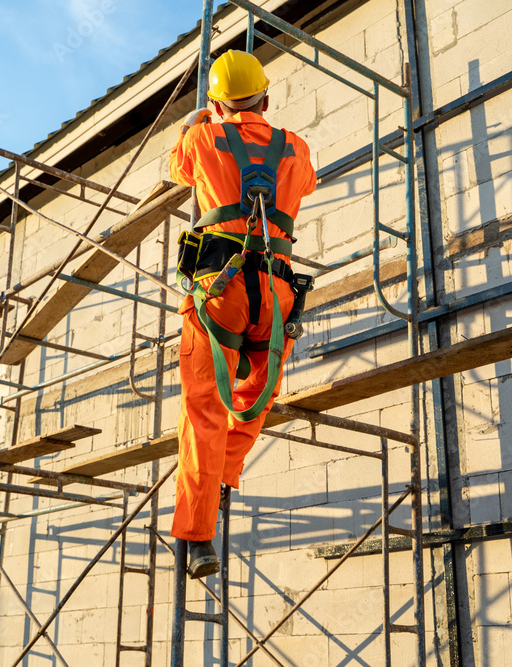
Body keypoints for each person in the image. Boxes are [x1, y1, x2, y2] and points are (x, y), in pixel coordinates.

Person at [169, 49, 317, 578]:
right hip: (274, 292)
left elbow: (177, 169)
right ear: (266, 100)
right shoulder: (295, 146)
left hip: (221, 289)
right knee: (256, 397)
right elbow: (307, 183)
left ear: (216, 104)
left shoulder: (202, 138)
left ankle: (198, 535)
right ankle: (225, 474)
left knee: (204, 411)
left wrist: (194, 123)